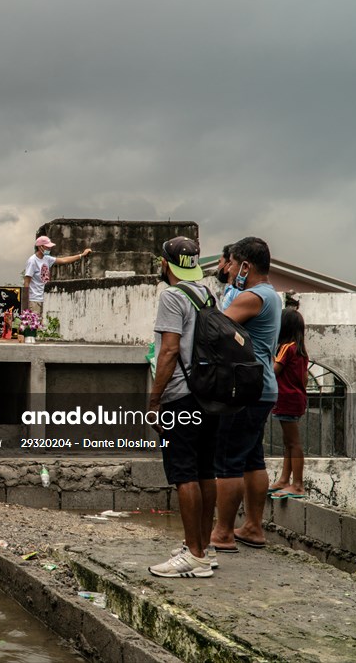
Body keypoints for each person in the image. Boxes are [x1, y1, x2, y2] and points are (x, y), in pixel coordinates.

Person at [147, 237, 219, 578]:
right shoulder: (207, 294)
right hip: (208, 395)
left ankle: (194, 556)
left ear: (166, 264)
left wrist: (154, 399)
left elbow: (169, 351)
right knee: (206, 470)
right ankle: (204, 548)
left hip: (180, 395)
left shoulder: (172, 297)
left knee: (184, 473)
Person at [210, 236, 281, 552]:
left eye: (233, 264)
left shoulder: (253, 297)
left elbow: (216, 328)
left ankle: (223, 533)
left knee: (227, 460)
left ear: (245, 266)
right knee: (253, 459)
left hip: (244, 389)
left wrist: (227, 287)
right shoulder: (270, 295)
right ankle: (253, 527)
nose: (229, 269)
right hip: (262, 388)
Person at [268, 308, 310, 499]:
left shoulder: (286, 348)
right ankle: (285, 480)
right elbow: (305, 378)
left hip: (286, 399)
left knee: (293, 442)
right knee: (288, 442)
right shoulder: (300, 350)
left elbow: (274, 371)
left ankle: (298, 485)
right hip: (296, 399)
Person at [22, 236, 91, 316]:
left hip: (45, 297)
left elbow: (64, 260)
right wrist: (25, 304)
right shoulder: (32, 261)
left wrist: (81, 255)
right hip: (34, 300)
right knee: (34, 325)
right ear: (40, 247)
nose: (49, 249)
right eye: (47, 247)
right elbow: (26, 282)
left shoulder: (47, 258)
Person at [215, 243, 241, 311]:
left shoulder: (237, 292)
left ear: (228, 265)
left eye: (220, 262)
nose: (218, 267)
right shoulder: (227, 289)